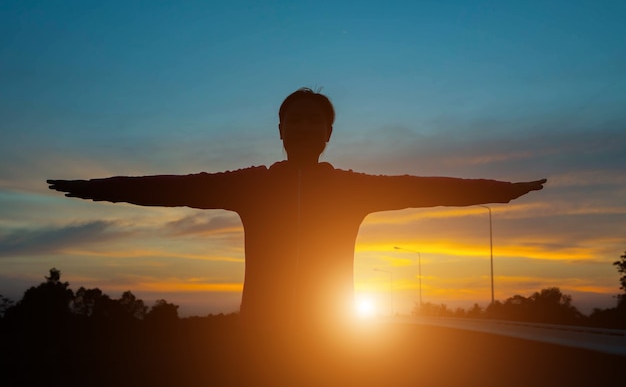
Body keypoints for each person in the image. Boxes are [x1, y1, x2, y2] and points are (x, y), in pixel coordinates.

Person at [48, 88, 546, 338]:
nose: (306, 128)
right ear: (281, 129)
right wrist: (93, 190)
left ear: (328, 134)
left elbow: (424, 187)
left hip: (333, 334)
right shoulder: (252, 184)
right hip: (259, 331)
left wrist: (501, 191)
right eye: (296, 120)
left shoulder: (351, 188)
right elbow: (171, 188)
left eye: (316, 122)